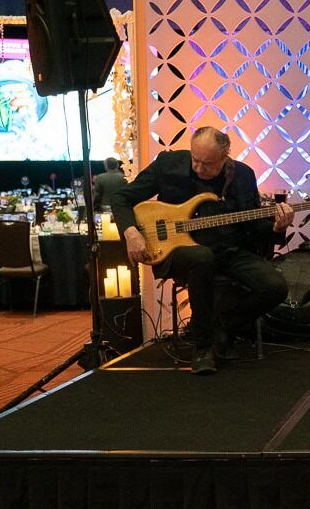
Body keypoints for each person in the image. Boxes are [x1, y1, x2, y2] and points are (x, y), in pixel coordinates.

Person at [112, 127, 294, 375]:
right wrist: (131, 232)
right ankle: (203, 348)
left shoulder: (242, 175)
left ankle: (224, 324)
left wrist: (277, 227)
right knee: (202, 257)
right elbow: (121, 198)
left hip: (229, 250)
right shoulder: (168, 165)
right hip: (179, 251)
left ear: (225, 156)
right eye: (195, 159)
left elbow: (254, 226)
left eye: (207, 164)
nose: (198, 168)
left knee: (276, 287)